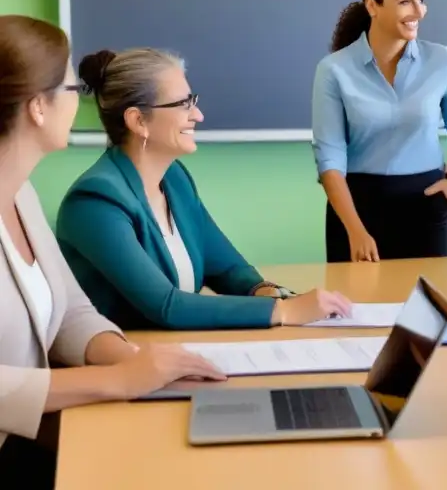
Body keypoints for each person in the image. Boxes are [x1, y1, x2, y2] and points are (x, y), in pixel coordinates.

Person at [0, 16, 224, 488]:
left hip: (25, 435)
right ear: (38, 107)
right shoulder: (90, 197)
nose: (80, 100)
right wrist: (117, 381)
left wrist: (135, 359)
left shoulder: (22, 197)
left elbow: (70, 312)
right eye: (69, 88)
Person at [56, 47, 352, 331]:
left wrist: (269, 293)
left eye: (192, 100)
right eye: (183, 104)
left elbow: (227, 270)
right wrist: (284, 312)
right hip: (123, 365)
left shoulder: (174, 179)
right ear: (138, 120)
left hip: (176, 354)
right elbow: (166, 306)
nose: (198, 115)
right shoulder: (95, 202)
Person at [313, 0, 447, 262]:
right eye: (405, 2)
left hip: (427, 206)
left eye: (422, 0)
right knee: (356, 307)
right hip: (356, 211)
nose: (419, 12)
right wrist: (355, 230)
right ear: (373, 6)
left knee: (425, 306)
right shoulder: (333, 70)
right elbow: (329, 159)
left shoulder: (442, 60)